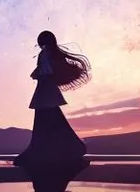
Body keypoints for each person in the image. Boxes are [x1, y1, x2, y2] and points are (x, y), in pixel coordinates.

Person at [13, 30, 91, 172]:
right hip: (45, 89)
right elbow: (46, 70)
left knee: (47, 121)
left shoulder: (47, 54)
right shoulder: (47, 54)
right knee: (51, 121)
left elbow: (47, 71)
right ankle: (66, 149)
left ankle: (63, 150)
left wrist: (40, 74)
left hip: (45, 89)